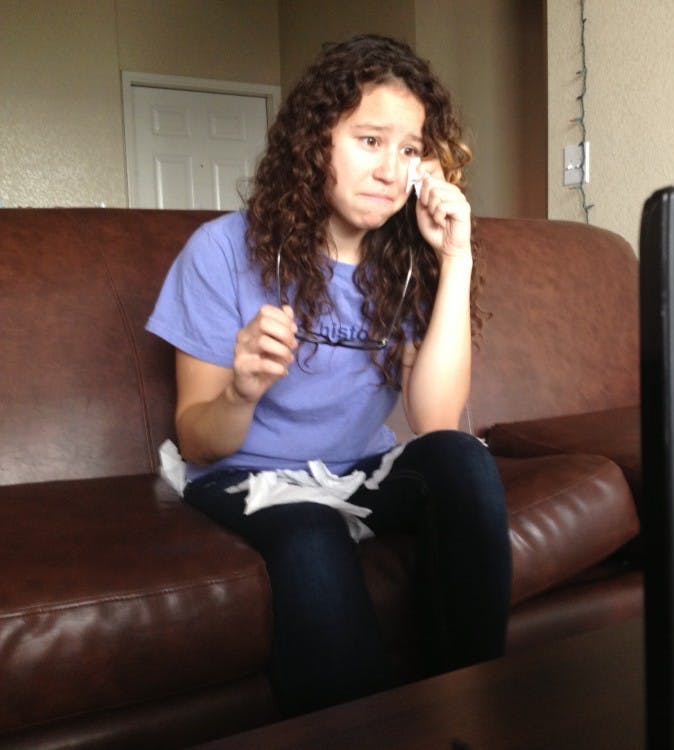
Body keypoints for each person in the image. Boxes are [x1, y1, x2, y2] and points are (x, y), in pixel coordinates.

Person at [146, 34, 512, 716]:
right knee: (308, 531)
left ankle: (469, 709)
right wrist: (241, 389)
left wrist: (455, 258)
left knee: (462, 462)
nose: (390, 170)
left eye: (408, 151)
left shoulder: (404, 263)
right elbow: (198, 439)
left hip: (357, 469)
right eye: (370, 141)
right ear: (315, 142)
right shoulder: (220, 251)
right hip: (246, 473)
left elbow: (435, 423)